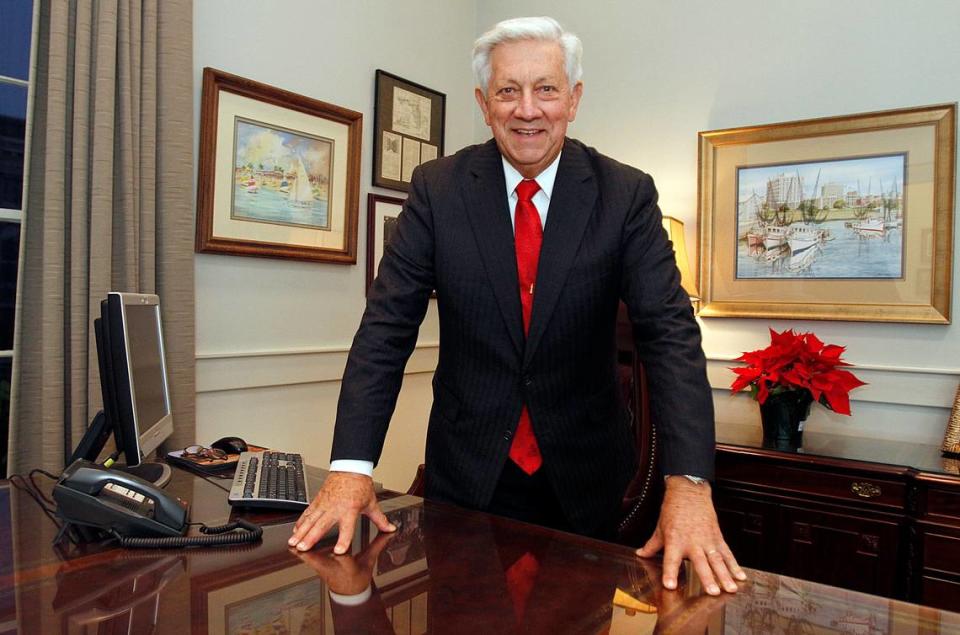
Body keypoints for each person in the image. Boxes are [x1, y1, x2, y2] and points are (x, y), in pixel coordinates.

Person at [290, 16, 745, 596]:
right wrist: (352, 469)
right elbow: (385, 330)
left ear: (573, 99)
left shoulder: (625, 194)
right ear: (485, 103)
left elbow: (670, 336)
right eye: (508, 91)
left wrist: (690, 485)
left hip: (585, 477)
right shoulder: (438, 189)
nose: (527, 109)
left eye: (546, 89)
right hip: (468, 474)